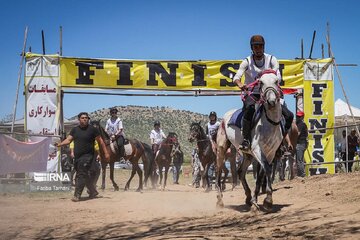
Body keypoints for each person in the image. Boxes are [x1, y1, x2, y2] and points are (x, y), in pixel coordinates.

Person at [233, 35, 293, 151]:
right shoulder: (246, 61)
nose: (258, 49)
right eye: (256, 47)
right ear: (252, 48)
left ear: (263, 47)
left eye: (260, 46)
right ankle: (246, 140)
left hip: (269, 91)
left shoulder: (272, 59)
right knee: (249, 109)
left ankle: (282, 139)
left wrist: (271, 83)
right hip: (252, 93)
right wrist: (240, 84)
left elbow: (277, 76)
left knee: (289, 115)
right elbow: (237, 76)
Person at [55, 112, 110, 202]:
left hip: (88, 156)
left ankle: (77, 195)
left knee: (80, 174)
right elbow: (68, 140)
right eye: (83, 118)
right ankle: (93, 191)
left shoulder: (93, 130)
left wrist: (106, 153)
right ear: (79, 119)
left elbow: (100, 141)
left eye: (86, 118)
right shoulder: (75, 130)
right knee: (85, 175)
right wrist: (60, 144)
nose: (85, 119)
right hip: (77, 157)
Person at [295, 111, 308, 177]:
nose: (298, 117)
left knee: (299, 160)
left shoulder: (301, 124)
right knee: (300, 159)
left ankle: (302, 174)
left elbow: (298, 133)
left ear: (302, 117)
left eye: (299, 116)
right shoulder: (301, 124)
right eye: (297, 116)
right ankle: (301, 173)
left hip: (301, 143)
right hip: (302, 143)